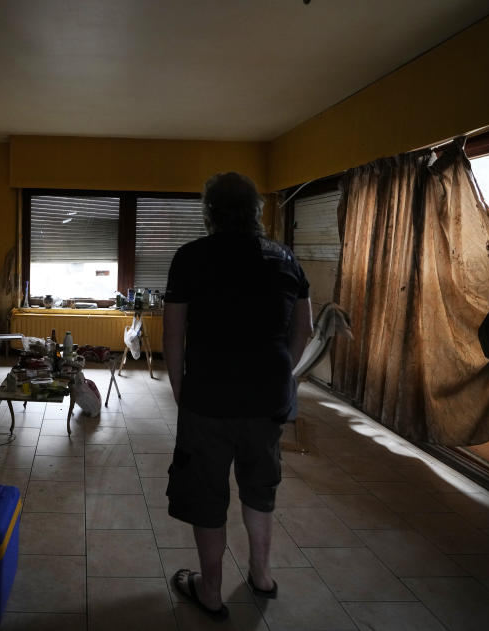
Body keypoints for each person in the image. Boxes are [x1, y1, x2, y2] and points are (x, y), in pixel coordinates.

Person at [163, 172, 313, 619]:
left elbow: (173, 337)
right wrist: (280, 373)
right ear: (256, 212)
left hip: (208, 397)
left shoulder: (191, 257)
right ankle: (262, 575)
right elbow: (301, 331)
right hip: (268, 398)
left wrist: (180, 392)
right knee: (259, 486)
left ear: (209, 212)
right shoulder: (286, 259)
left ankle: (210, 591)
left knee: (207, 494)